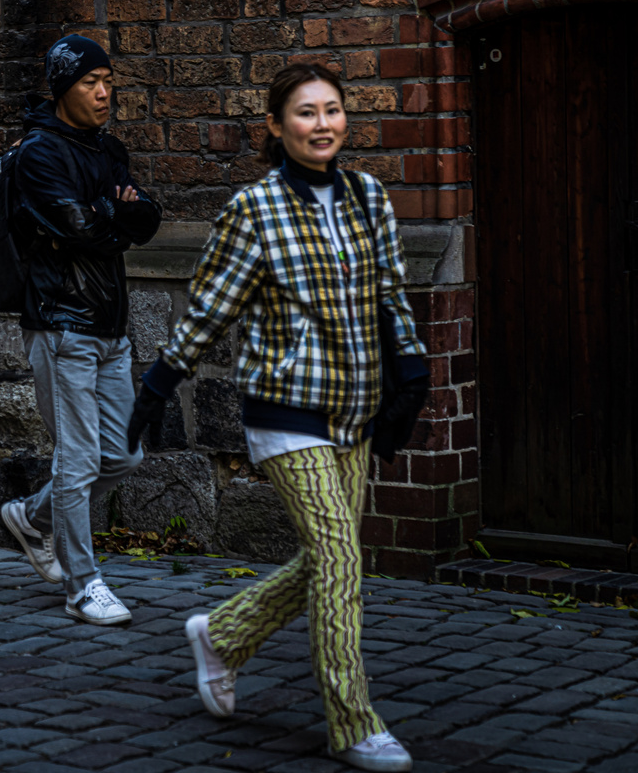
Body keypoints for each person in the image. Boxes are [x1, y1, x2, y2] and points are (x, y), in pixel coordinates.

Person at [133, 63, 429, 773]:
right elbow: (210, 310)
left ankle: (224, 635)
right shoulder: (255, 207)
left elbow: (391, 296)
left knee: (331, 560)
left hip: (354, 408)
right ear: (275, 125)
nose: (322, 124)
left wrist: (412, 372)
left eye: (332, 110)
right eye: (305, 113)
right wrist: (158, 385)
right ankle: (354, 722)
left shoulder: (368, 198)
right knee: (340, 559)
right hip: (286, 409)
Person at [0, 34, 161, 626]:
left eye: (109, 81)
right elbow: (76, 226)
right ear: (63, 86)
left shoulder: (108, 149)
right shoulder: (40, 153)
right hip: (62, 323)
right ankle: (82, 584)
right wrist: (112, 215)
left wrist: (109, 216)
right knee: (80, 458)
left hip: (111, 326)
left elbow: (147, 218)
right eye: (92, 82)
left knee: (124, 453)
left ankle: (31, 518)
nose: (104, 92)